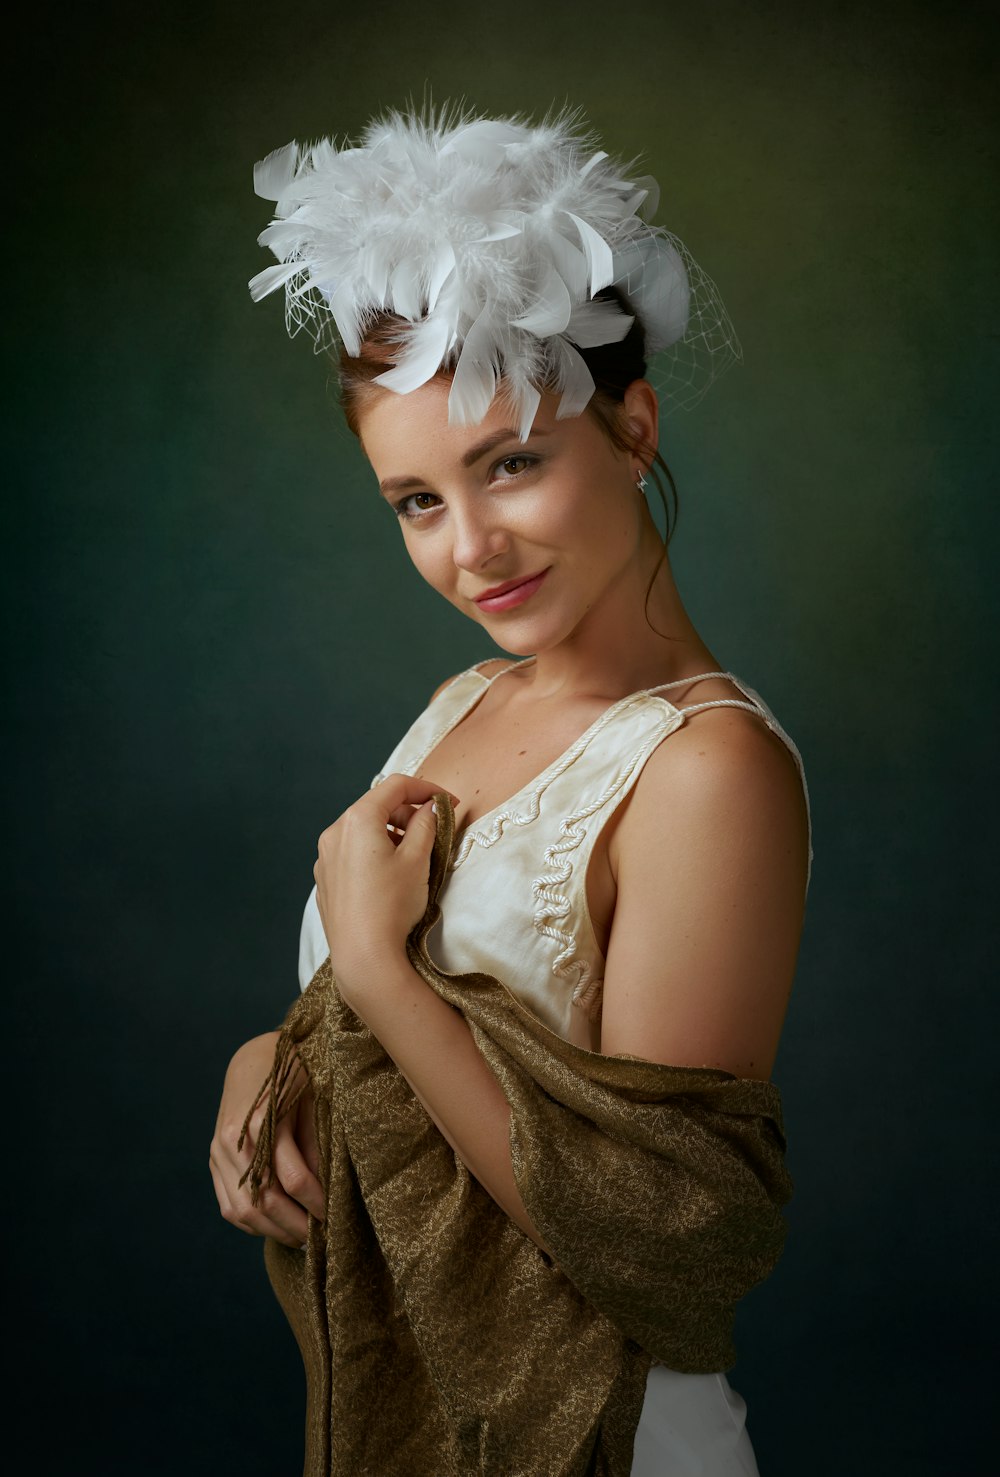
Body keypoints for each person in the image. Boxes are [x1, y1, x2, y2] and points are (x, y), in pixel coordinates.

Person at [210, 104, 813, 1475]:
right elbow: (353, 1034)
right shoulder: (463, 703)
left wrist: (377, 964)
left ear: (634, 426)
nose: (470, 548)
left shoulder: (708, 769)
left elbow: (668, 1244)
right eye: (416, 500)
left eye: (512, 464)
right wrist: (265, 1071)